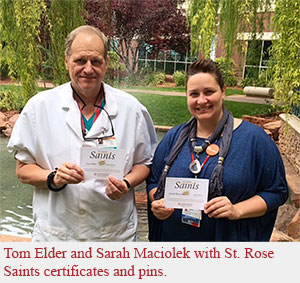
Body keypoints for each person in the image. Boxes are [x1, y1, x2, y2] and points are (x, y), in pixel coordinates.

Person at [7, 25, 157, 241]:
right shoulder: (39, 107)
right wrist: (54, 177)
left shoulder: (131, 109)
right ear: (67, 61)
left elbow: (144, 163)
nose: (88, 69)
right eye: (80, 60)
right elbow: (23, 170)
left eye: (96, 61)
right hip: (57, 234)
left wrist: (126, 183)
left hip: (113, 235)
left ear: (106, 64)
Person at [146, 58, 288, 241]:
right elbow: (154, 181)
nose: (201, 100)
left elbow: (277, 191)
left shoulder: (254, 140)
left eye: (209, 92)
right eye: (194, 94)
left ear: (223, 91)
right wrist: (157, 203)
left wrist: (237, 210)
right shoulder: (174, 137)